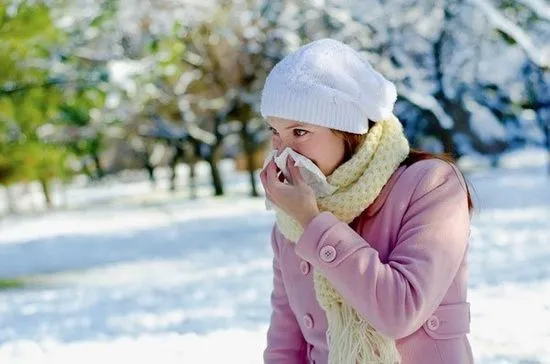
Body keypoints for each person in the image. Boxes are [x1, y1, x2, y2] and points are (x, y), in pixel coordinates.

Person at [259, 38, 474, 364]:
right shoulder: (289, 222)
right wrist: (303, 219)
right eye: (275, 131)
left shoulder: (432, 185)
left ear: (348, 131)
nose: (282, 151)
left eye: (299, 132)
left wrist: (314, 224)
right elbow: (286, 345)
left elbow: (400, 312)